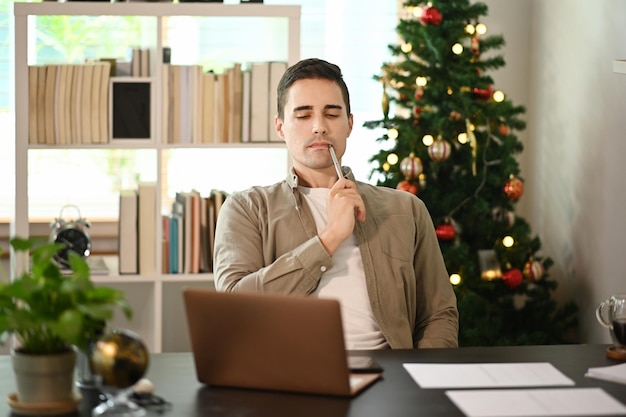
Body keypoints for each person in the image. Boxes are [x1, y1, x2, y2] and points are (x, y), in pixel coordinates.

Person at [213, 58, 458, 349]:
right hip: (287, 379)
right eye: (303, 116)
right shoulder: (246, 208)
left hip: (390, 377)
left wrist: (418, 377)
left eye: (331, 114)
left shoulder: (406, 209)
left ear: (349, 124)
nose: (319, 127)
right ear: (281, 127)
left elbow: (439, 314)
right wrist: (330, 238)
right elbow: (232, 308)